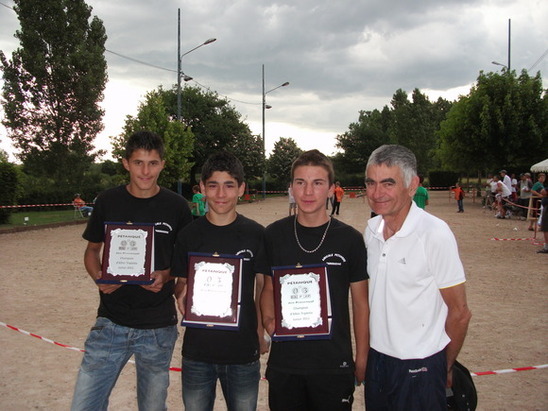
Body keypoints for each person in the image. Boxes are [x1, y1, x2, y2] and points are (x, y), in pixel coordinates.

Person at [70, 131, 192, 411]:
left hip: (158, 327)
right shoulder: (107, 201)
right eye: (138, 163)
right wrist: (100, 277)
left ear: (163, 164)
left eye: (152, 163)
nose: (145, 171)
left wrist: (167, 275)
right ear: (126, 163)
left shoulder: (177, 207)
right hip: (111, 322)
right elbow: (92, 251)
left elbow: (185, 263)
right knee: (84, 405)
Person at [363, 144, 471, 410]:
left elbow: (460, 312)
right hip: (377, 360)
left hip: (421, 364)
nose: (377, 193)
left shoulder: (434, 233)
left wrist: (442, 366)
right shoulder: (371, 231)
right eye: (371, 183)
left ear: (412, 186)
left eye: (388, 183)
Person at [261, 150, 369, 410]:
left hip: (333, 363)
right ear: (291, 188)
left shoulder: (350, 240)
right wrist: (268, 321)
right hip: (286, 364)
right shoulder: (273, 235)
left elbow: (361, 304)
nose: (308, 192)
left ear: (332, 189)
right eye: (301, 182)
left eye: (317, 183)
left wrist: (362, 358)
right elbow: (267, 288)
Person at [171, 151, 270, 410]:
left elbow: (263, 288)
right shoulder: (188, 236)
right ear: (203, 188)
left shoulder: (256, 235)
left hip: (242, 351)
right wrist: (182, 293)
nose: (221, 194)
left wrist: (260, 333)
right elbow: (179, 282)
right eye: (213, 185)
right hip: (197, 352)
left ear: (241, 189)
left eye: (229, 186)